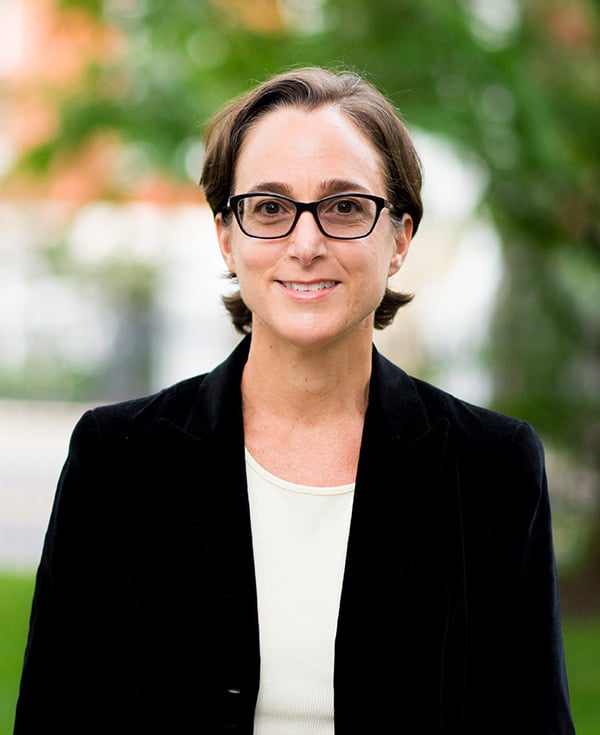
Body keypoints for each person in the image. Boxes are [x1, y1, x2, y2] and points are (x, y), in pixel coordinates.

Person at [14, 65, 575, 735]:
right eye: (270, 208)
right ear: (227, 235)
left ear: (399, 236)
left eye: (344, 206)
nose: (305, 244)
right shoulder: (115, 458)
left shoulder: (491, 466)